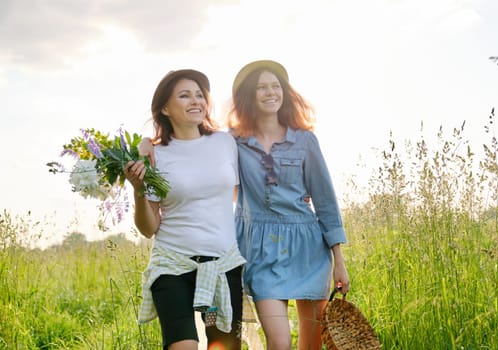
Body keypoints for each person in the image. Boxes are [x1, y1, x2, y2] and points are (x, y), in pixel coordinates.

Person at [228, 60, 350, 350]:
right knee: (280, 341)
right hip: (260, 252)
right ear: (249, 95)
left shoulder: (305, 141)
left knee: (312, 344)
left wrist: (339, 262)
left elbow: (325, 202)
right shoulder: (234, 142)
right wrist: (147, 144)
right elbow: (198, 147)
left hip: (308, 249)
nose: (271, 92)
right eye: (261, 87)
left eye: (275, 86)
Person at [124, 69, 245, 350]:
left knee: (223, 344)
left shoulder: (225, 143)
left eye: (200, 95)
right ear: (165, 108)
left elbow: (241, 193)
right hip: (173, 267)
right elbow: (148, 228)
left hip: (221, 267)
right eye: (184, 95)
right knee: (183, 346)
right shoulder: (155, 156)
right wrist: (138, 189)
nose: (195, 101)